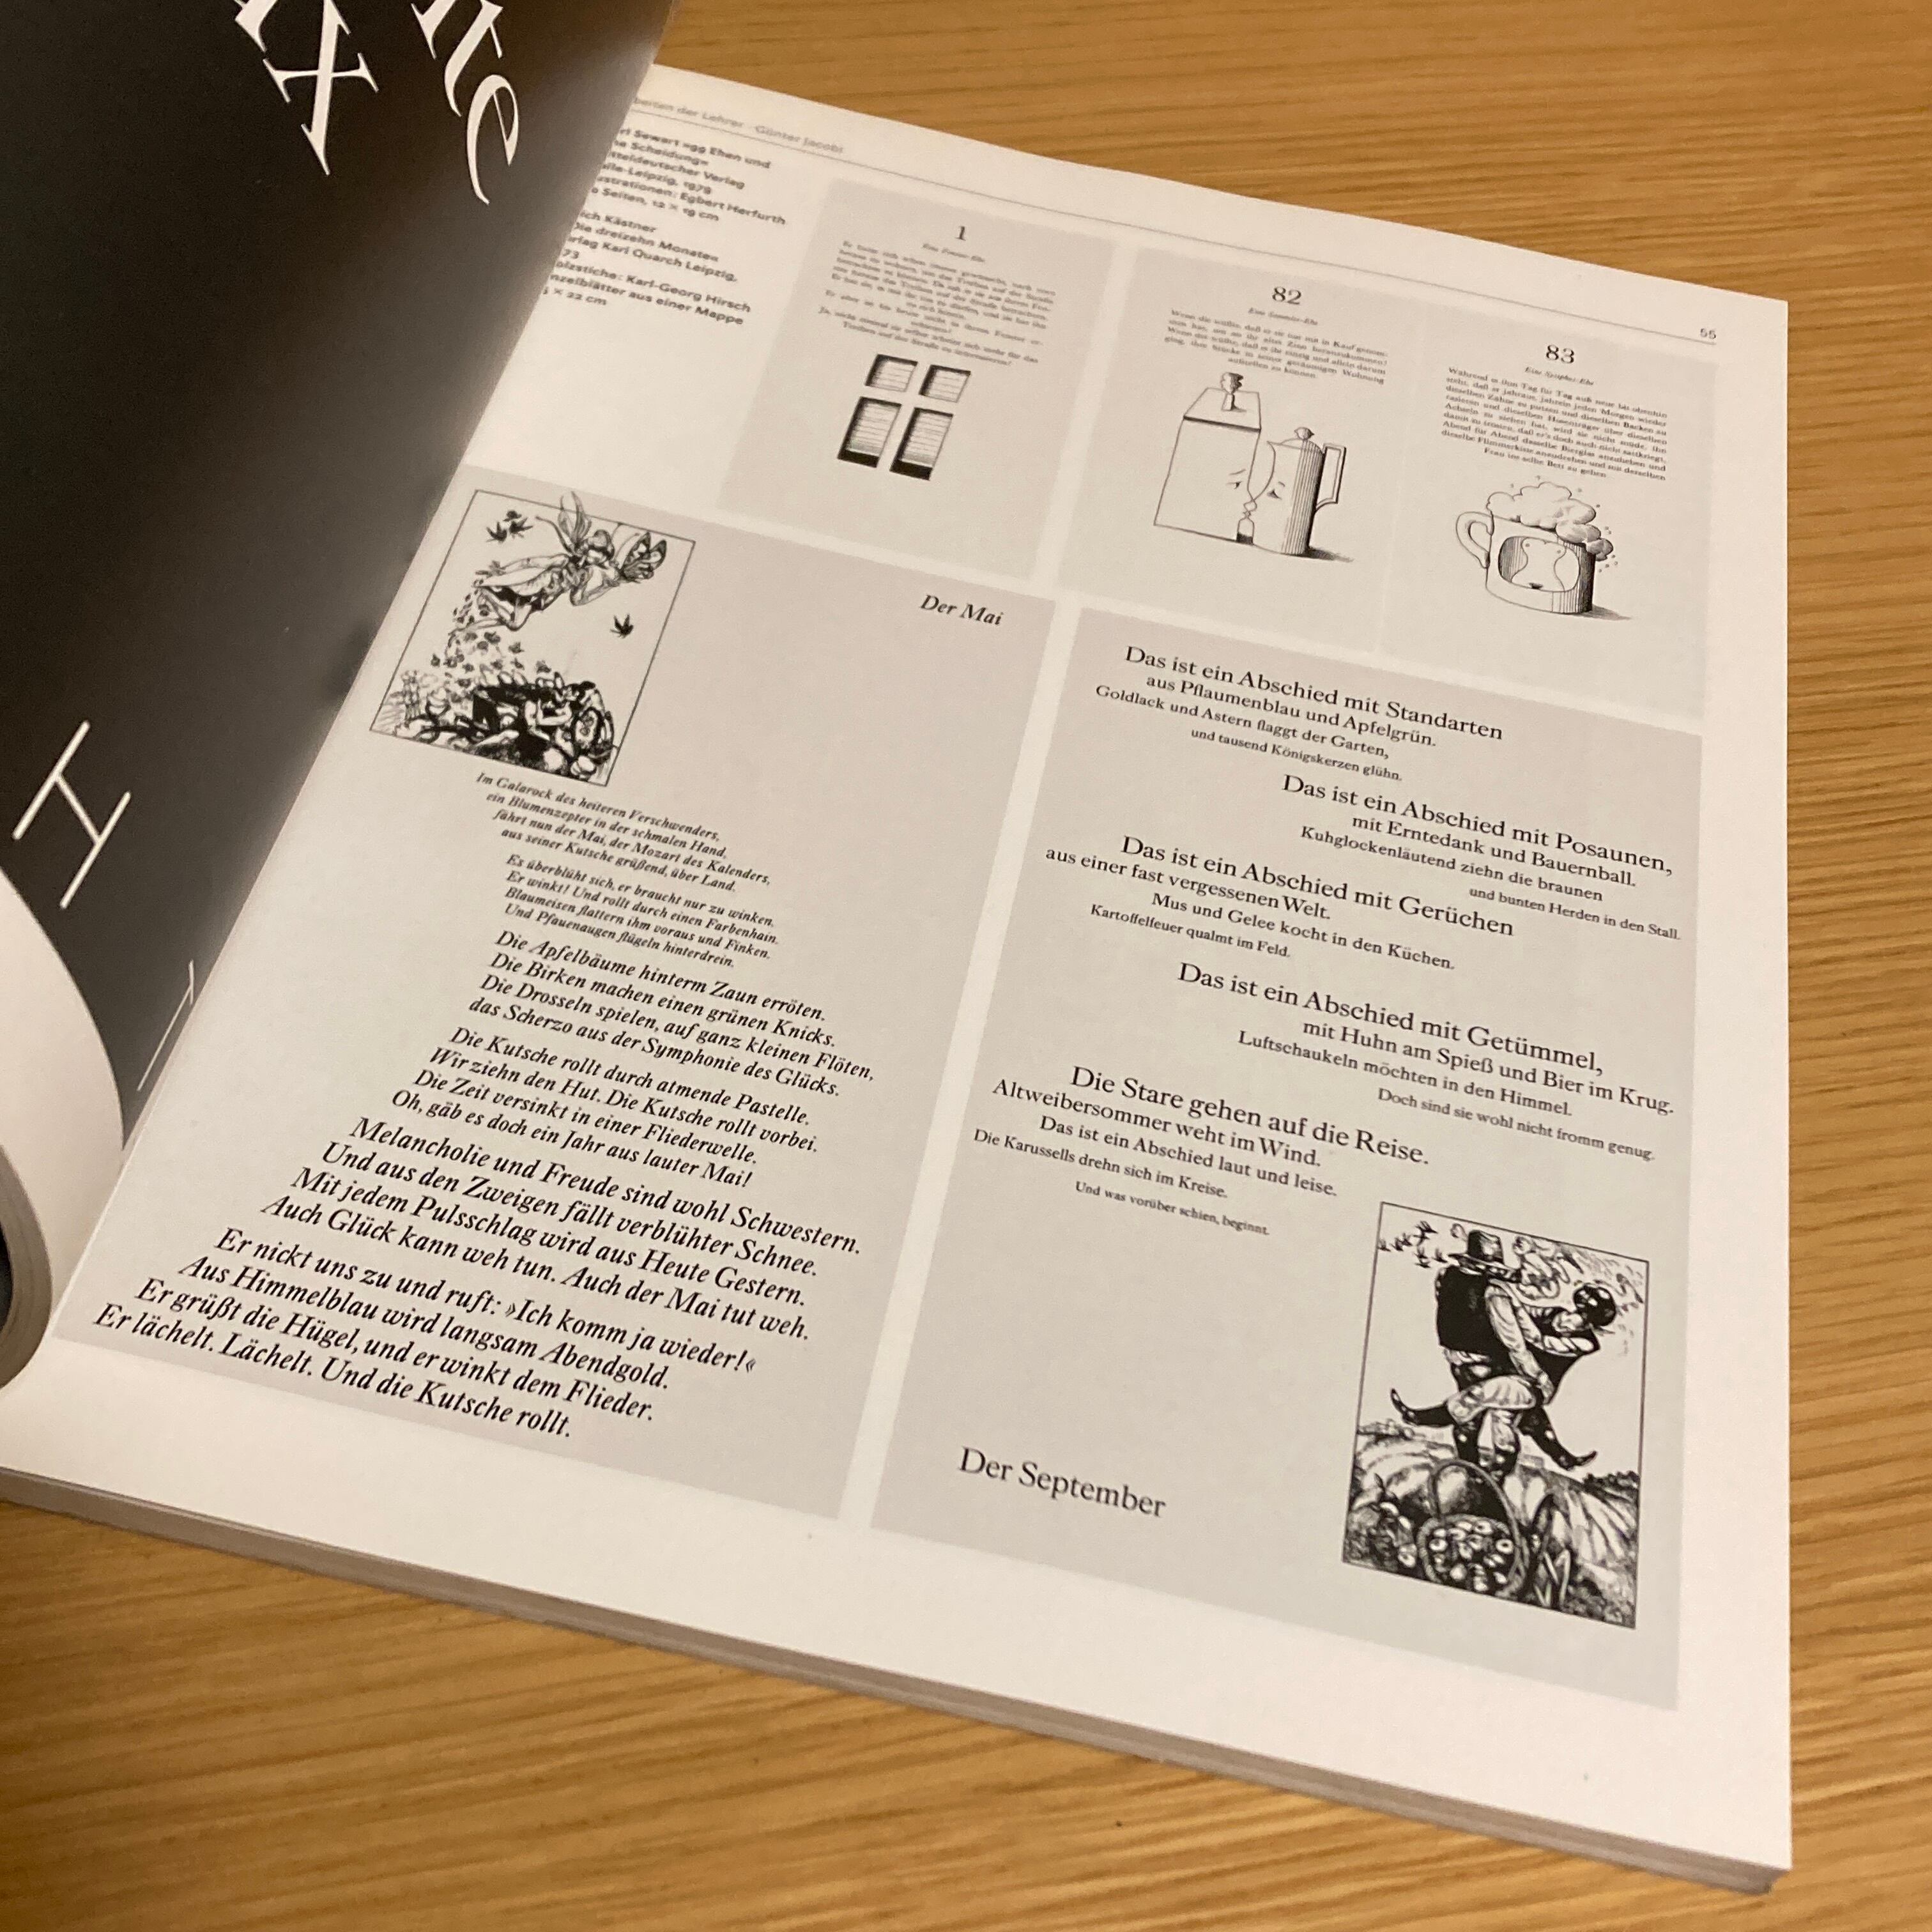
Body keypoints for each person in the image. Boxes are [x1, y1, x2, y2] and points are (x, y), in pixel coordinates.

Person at [1392, 1228, 1616, 1476]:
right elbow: (1528, 1320)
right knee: (1502, 1418)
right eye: (1576, 1312)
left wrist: (1515, 1310)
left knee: (1483, 1404)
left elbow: (1539, 1340)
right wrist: (1517, 1309)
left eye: (1582, 1317)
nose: (1572, 1319)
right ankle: (1500, 1470)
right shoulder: (1544, 1309)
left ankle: (1427, 1422)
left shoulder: (1586, 1343)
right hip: (1514, 1371)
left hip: (1531, 1379)